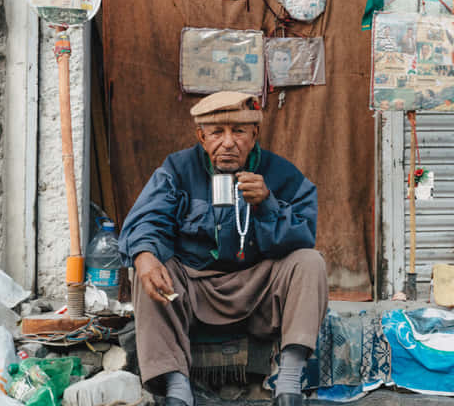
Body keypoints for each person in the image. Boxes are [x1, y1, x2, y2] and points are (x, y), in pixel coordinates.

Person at [119, 91, 328, 406]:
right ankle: (177, 388)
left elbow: (303, 234)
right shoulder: (177, 169)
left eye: (239, 131)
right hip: (192, 290)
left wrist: (267, 204)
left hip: (258, 291)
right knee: (147, 265)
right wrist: (145, 257)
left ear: (254, 134)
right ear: (201, 137)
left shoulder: (281, 173)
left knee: (310, 262)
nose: (229, 142)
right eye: (217, 132)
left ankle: (289, 381)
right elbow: (149, 220)